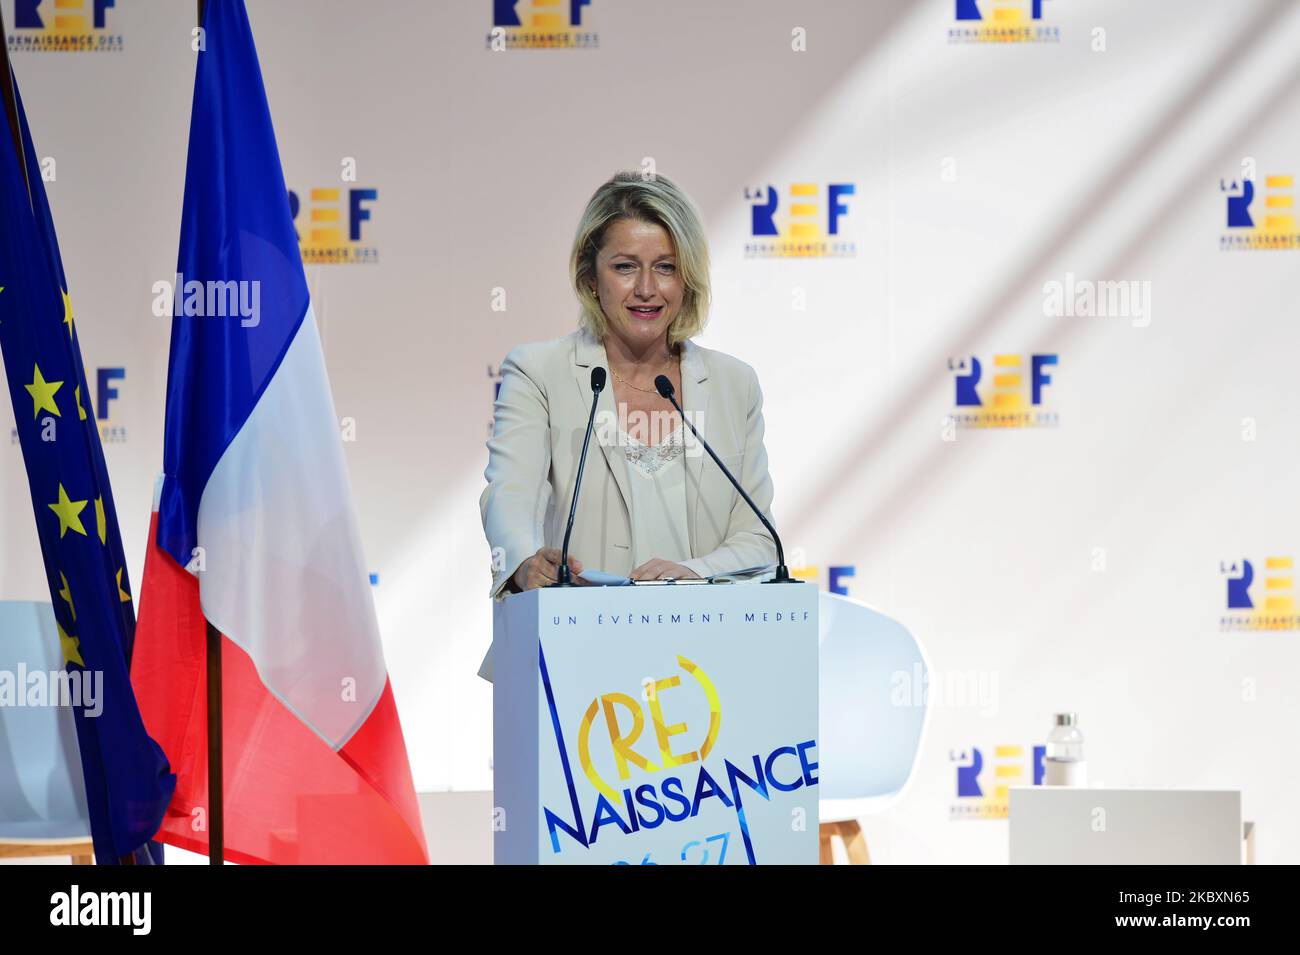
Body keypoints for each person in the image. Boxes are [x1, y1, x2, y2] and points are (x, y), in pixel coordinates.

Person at [480, 170, 778, 601]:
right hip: (577, 638)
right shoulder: (539, 371)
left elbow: (758, 540)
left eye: (665, 268)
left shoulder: (735, 384)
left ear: (687, 279)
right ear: (590, 277)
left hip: (703, 650)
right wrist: (524, 562)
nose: (646, 289)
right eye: (624, 267)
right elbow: (510, 492)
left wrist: (693, 573)